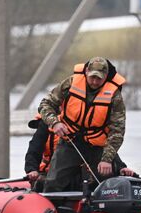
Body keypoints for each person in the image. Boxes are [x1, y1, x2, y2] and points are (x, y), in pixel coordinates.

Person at [36, 57, 127, 191]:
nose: (95, 82)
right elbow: (46, 104)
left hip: (97, 146)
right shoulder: (71, 83)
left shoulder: (114, 95)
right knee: (53, 183)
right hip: (70, 142)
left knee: (106, 184)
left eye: (99, 78)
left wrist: (107, 159)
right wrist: (55, 123)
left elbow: (117, 130)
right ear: (86, 72)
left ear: (106, 77)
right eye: (92, 77)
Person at [23, 116, 135, 187]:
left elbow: (101, 145)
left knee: (98, 178)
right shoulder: (46, 124)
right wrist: (32, 169)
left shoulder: (84, 123)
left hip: (78, 174)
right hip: (50, 173)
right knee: (47, 184)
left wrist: (121, 167)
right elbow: (34, 149)